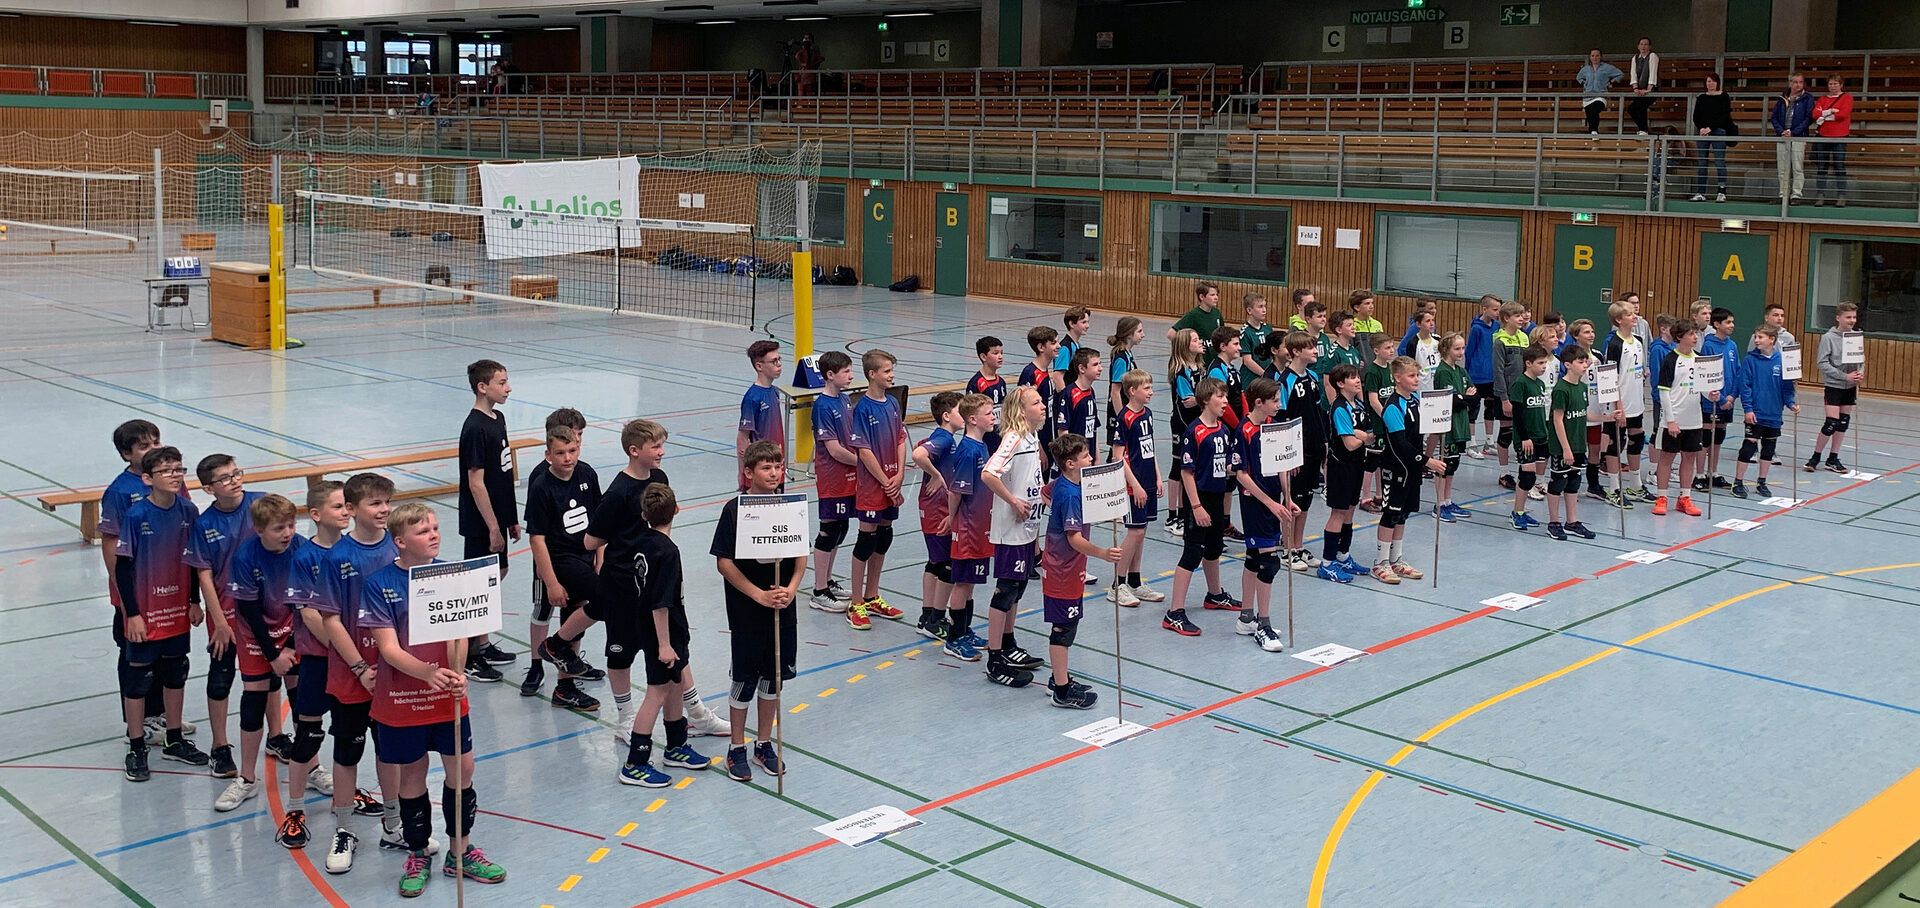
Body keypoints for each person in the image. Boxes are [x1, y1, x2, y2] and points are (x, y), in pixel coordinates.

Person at [361, 503, 506, 895]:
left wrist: (457, 672)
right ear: (400, 541)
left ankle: (460, 851)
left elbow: (460, 632)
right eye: (423, 531)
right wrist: (427, 673)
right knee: (413, 773)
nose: (434, 535)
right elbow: (388, 649)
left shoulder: (452, 576)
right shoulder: (379, 584)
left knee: (463, 768)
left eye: (436, 528)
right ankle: (418, 852)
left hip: (447, 697)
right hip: (402, 698)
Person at [312, 473, 431, 857]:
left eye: (387, 502)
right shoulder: (337, 557)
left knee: (390, 751)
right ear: (351, 509)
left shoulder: (399, 549)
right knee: (347, 752)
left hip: (394, 674)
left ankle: (393, 825)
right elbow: (330, 620)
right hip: (352, 675)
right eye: (375, 503)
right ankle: (344, 829)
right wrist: (360, 668)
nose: (384, 510)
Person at [222, 495, 328, 849]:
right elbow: (248, 610)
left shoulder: (301, 550)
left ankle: (312, 767)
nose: (287, 533)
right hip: (256, 636)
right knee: (253, 699)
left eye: (291, 525)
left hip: (293, 629)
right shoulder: (245, 557)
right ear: (259, 530)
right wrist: (271, 654)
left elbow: (307, 604)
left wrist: (292, 648)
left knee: (302, 699)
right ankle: (246, 778)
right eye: (279, 527)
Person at [711, 441, 804, 782]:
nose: (775, 473)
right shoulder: (734, 510)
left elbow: (800, 555)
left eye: (778, 467)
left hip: (782, 609)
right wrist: (758, 595)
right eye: (767, 468)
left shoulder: (790, 507)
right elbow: (724, 563)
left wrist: (790, 589)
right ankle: (736, 747)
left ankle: (763, 744)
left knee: (773, 678)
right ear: (749, 472)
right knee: (745, 679)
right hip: (748, 612)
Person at [114, 446, 208, 782]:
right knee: (138, 679)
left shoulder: (188, 510)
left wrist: (194, 601)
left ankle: (174, 739)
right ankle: (136, 745)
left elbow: (194, 561)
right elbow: (122, 569)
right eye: (166, 471)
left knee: (176, 672)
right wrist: (132, 614)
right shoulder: (136, 515)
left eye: (178, 469)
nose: (174, 476)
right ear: (147, 478)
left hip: (177, 610)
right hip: (146, 613)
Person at [99, 420, 193, 746]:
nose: (153, 448)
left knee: (168, 654)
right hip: (136, 593)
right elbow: (111, 543)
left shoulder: (173, 481)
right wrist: (124, 594)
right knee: (135, 654)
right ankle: (138, 723)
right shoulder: (120, 492)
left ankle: (161, 713)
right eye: (143, 446)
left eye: (156, 441)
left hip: (169, 590)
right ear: (127, 454)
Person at [616, 483, 711, 787]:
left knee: (676, 683)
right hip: (662, 632)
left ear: (644, 515)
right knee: (656, 692)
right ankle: (635, 763)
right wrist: (665, 644)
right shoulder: (667, 552)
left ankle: (676, 746)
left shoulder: (642, 543)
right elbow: (660, 602)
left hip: (662, 628)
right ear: (677, 510)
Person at [183, 454, 262, 782]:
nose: (235, 480)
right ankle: (219, 745)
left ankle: (275, 737)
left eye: (236, 473)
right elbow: (203, 575)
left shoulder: (261, 504)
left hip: (265, 611)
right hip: (226, 613)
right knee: (221, 677)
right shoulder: (205, 524)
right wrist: (219, 622)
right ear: (208, 488)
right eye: (225, 478)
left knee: (267, 676)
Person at [522, 425, 604, 710]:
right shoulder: (542, 486)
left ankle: (565, 687)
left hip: (585, 556)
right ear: (548, 455)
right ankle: (554, 645)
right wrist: (552, 583)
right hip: (560, 561)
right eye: (560, 453)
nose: (567, 458)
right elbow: (537, 539)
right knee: (607, 599)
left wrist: (600, 558)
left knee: (574, 615)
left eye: (572, 451)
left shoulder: (586, 474)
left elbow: (599, 521)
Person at [1041, 433, 1120, 709]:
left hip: (1069, 568)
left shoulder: (1065, 484)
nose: (1091, 459)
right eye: (1085, 456)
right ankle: (1062, 691)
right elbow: (1074, 538)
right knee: (1063, 629)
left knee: (1068, 625)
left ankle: (1058, 678)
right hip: (1061, 571)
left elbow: (1045, 492)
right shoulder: (1070, 494)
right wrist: (1103, 553)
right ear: (1071, 463)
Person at [981, 386, 1050, 686]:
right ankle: (995, 658)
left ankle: (1008, 643)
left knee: (1019, 588)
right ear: (1021, 410)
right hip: (1011, 529)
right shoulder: (1013, 438)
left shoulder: (1032, 437)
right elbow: (988, 473)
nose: (1043, 405)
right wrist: (1013, 501)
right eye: (1036, 402)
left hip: (1028, 528)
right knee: (1006, 589)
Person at [457, 358, 518, 682]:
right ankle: (469, 655)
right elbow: (476, 483)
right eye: (501, 383)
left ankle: (482, 642)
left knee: (497, 573)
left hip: (498, 516)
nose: (508, 388)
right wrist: (493, 527)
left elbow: (502, 474)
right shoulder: (475, 428)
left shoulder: (498, 418)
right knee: (477, 584)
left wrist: (510, 519)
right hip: (481, 520)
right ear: (482, 387)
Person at [1167, 378, 1241, 635]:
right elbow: (1186, 473)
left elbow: (1224, 465)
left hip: (1217, 496)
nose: (1225, 401)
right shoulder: (1194, 432)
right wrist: (1196, 506)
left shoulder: (1223, 430)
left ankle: (1215, 594)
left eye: (1226, 396)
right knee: (1192, 552)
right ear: (1206, 400)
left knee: (1213, 548)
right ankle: (1174, 612)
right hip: (1199, 499)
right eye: (1220, 396)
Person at [1232, 378, 1296, 650]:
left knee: (1253, 558)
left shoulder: (1273, 426)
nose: (1280, 405)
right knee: (1269, 563)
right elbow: (1241, 475)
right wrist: (1270, 503)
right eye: (1275, 401)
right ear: (1259, 402)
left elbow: (1281, 465)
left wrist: (1287, 498)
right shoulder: (1244, 431)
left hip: (1274, 500)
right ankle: (1263, 626)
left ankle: (1246, 618)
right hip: (1256, 503)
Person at [848, 350, 910, 625]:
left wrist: (899, 475)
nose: (891, 375)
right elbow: (863, 451)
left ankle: (872, 596)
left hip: (891, 483)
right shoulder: (862, 408)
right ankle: (856, 603)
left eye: (892, 370)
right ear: (872, 374)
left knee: (884, 537)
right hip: (873, 486)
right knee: (866, 541)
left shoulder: (893, 403)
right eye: (887, 371)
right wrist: (886, 482)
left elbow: (900, 439)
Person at [1374, 358, 1448, 581]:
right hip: (1396, 468)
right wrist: (1427, 461)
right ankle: (1380, 563)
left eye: (1417, 375)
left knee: (1403, 514)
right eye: (1411, 376)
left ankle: (1396, 559)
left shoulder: (1415, 400)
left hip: (1412, 469)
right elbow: (1400, 444)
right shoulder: (1393, 407)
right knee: (1391, 513)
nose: (1416, 380)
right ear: (1397, 378)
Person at [942, 394, 998, 661]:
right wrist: (951, 519)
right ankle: (954, 638)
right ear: (973, 419)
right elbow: (956, 492)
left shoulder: (982, 445)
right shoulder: (967, 450)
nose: (994, 417)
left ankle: (965, 630)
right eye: (989, 413)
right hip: (967, 528)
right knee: (962, 583)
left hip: (981, 525)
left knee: (972, 582)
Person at [909, 392, 964, 639]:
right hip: (936, 510)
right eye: (960, 411)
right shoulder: (943, 437)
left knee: (935, 562)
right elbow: (918, 455)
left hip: (933, 508)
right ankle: (935, 619)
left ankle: (927, 617)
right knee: (946, 564)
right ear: (946, 416)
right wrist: (937, 476)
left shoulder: (944, 438)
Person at [1111, 370, 1165, 608]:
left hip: (1148, 481)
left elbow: (1149, 448)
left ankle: (1134, 581)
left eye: (1151, 387)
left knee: (1141, 532)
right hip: (1134, 486)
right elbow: (1118, 456)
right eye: (1147, 388)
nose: (1151, 392)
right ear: (1132, 391)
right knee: (1134, 532)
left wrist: (1158, 477)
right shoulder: (1125, 417)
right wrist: (1135, 484)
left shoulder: (1148, 414)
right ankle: (1117, 584)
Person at [809, 351, 858, 613]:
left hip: (849, 475)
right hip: (832, 477)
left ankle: (827, 582)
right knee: (828, 530)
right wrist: (863, 464)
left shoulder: (845, 399)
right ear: (830, 375)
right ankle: (818, 591)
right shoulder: (822, 406)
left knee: (842, 527)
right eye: (846, 372)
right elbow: (834, 449)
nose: (851, 376)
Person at [1277, 331, 1326, 571]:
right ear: (1296, 351)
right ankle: (1286, 548)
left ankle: (1298, 546)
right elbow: (1282, 419)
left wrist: (1324, 442)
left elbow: (1317, 413)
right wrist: (1291, 455)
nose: (1316, 351)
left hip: (1314, 446)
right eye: (1310, 347)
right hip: (1296, 450)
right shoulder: (1286, 380)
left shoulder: (1313, 377)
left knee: (1305, 498)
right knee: (1293, 498)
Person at [1653, 322, 1714, 516]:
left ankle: (1684, 497)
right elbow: (1664, 392)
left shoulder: (1700, 359)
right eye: (1690, 334)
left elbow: (1703, 388)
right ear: (1679, 337)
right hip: (1674, 419)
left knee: (1689, 457)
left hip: (1693, 419)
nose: (1695, 337)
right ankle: (1662, 497)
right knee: (1667, 458)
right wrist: (1670, 420)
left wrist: (1711, 394)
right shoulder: (1670, 359)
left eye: (1695, 333)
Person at [1598, 302, 1653, 507]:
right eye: (1629, 314)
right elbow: (1610, 377)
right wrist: (1618, 406)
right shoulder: (1614, 344)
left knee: (1636, 439)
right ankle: (1614, 489)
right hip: (1618, 404)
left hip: (1636, 401)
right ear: (1618, 320)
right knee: (1615, 443)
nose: (1635, 316)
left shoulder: (1638, 341)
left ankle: (1635, 485)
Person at [1319, 365, 1370, 582]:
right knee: (1338, 513)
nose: (1357, 381)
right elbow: (1349, 444)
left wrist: (1362, 435)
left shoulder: (1359, 405)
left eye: (1357, 377)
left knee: (1350, 510)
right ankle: (1327, 563)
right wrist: (1363, 437)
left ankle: (1343, 556)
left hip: (1357, 464)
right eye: (1352, 378)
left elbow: (1368, 432)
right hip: (1341, 466)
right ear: (1340, 384)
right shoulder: (1339, 408)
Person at [1734, 326, 1798, 499]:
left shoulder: (1782, 361)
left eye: (1760, 337)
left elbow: (1787, 388)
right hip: (1756, 412)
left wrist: (1791, 403)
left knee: (1769, 448)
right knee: (1749, 446)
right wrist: (1748, 409)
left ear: (1772, 339)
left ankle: (1761, 482)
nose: (1756, 340)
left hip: (1774, 413)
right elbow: (1745, 386)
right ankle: (1738, 482)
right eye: (1756, 337)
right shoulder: (1750, 360)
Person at [1546, 347, 1598, 541]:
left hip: (1578, 443)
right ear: (1567, 365)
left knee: (1574, 481)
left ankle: (1572, 522)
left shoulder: (1582, 388)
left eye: (1585, 362)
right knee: (1558, 481)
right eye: (1580, 362)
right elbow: (1557, 420)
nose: (1585, 365)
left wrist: (1609, 417)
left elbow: (1584, 415)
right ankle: (1553, 522)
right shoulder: (1561, 389)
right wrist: (1566, 449)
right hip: (1562, 446)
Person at [1809, 301, 1864, 473]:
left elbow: (1861, 359)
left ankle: (1833, 458)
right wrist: (1843, 376)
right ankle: (1815, 456)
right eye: (1848, 317)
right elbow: (1822, 363)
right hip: (1834, 385)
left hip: (1850, 387)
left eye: (1854, 317)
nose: (1852, 320)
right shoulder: (1828, 338)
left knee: (1843, 422)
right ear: (1838, 318)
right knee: (1831, 423)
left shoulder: (1856, 336)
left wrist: (1859, 373)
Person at [1165, 327, 1205, 535]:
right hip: (1182, 424)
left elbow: (1197, 398)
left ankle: (1183, 511)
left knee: (1189, 468)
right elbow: (1187, 402)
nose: (1200, 343)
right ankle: (1172, 516)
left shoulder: (1199, 368)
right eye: (1195, 340)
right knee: (1177, 468)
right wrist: (1201, 398)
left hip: (1195, 423)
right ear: (1184, 345)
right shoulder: (1180, 371)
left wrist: (1199, 399)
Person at [1695, 307, 1741, 492]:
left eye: (1732, 321)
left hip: (1728, 401)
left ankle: (1712, 473)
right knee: (1706, 438)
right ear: (1716, 324)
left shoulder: (1732, 345)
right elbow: (1706, 376)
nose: (1732, 325)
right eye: (1728, 322)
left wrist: (1732, 396)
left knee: (1718, 437)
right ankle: (1699, 475)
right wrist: (1720, 399)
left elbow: (1737, 372)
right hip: (1711, 402)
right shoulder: (1709, 345)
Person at [1507, 346, 1551, 531]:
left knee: (1531, 477)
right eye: (1540, 363)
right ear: (1528, 363)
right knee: (1527, 476)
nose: (1544, 366)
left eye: (1545, 363)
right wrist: (1524, 437)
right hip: (1526, 438)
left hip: (1540, 435)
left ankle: (1522, 511)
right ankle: (1517, 512)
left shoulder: (1539, 384)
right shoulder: (1521, 383)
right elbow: (1517, 413)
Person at [1431, 332, 1474, 522]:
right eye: (1457, 348)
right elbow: (1450, 400)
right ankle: (1439, 504)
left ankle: (1448, 501)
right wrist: (1464, 397)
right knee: (1444, 465)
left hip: (1461, 425)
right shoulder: (1443, 372)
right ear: (1446, 349)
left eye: (1463, 348)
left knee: (1453, 464)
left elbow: (1474, 397)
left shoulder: (1461, 371)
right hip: (1447, 426)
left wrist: (1464, 397)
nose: (1461, 352)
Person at [1491, 301, 1532, 489]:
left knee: (1523, 431)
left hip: (1522, 394)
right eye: (1517, 316)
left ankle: (1525, 471)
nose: (1522, 318)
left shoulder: (1524, 338)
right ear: (1506, 318)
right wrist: (1504, 399)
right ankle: (1504, 472)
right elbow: (1498, 371)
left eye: (1522, 315)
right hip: (1506, 394)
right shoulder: (1500, 341)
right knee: (1506, 433)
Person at [738, 340, 786, 490]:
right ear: (759, 366)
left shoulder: (774, 391)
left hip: (776, 467)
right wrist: (742, 474)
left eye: (779, 359)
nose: (779, 364)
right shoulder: (752, 397)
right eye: (773, 361)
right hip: (761, 472)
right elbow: (742, 437)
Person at [1359, 334, 1398, 513]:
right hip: (1377, 423)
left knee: (1382, 460)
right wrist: (1387, 417)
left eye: (1392, 347)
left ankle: (1380, 495)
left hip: (1387, 423)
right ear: (1376, 351)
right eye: (1387, 348)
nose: (1391, 351)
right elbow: (1374, 400)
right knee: (1372, 462)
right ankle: (1365, 497)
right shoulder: (1373, 372)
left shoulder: (1389, 369)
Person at [1466, 295, 1502, 456]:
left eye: (1499, 309)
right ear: (1484, 309)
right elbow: (1469, 352)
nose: (1497, 313)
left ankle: (1489, 442)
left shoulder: (1497, 326)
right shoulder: (1477, 328)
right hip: (1477, 375)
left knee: (1491, 408)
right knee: (1474, 408)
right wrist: (1467, 374)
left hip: (1492, 375)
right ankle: (1472, 443)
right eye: (1495, 309)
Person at [1770, 74, 1815, 203]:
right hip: (1782, 137)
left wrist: (1794, 132)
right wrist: (1781, 131)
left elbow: (1808, 118)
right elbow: (1774, 117)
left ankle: (1796, 194)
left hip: (1798, 137)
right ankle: (1783, 194)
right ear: (1790, 83)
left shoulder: (1808, 98)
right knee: (1782, 168)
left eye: (1800, 82)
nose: (1798, 85)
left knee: (1797, 167)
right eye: (1795, 82)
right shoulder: (1782, 98)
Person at [1691, 73, 1736, 202]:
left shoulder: (1724, 96)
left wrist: (1710, 128)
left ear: (1717, 83)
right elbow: (1696, 116)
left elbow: (1724, 116)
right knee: (1702, 162)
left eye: (1712, 81)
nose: (1710, 84)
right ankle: (1701, 192)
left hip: (1718, 131)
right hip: (1703, 133)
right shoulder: (1701, 98)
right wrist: (1702, 128)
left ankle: (1721, 191)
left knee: (1719, 161)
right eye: (1708, 81)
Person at [1020, 326, 1061, 466]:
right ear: (1041, 347)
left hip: (1048, 438)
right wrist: (1038, 447)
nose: (1058, 346)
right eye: (1053, 343)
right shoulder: (1030, 373)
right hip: (1037, 442)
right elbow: (1023, 414)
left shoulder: (1045, 371)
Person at [1811, 75, 1853, 207]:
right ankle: (1820, 195)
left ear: (1841, 84)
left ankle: (1841, 195)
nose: (1833, 86)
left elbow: (1842, 115)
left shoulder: (1847, 97)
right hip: (1823, 135)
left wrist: (1824, 115)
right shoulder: (1822, 99)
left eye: (1835, 84)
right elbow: (1815, 114)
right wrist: (1830, 111)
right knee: (1822, 166)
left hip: (1840, 136)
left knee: (1839, 165)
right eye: (1830, 84)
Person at [1060, 347, 1104, 460]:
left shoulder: (1091, 392)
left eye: (1100, 364)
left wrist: (1097, 458)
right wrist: (1071, 458)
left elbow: (1093, 428)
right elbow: (1063, 431)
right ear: (1082, 368)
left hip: (1089, 456)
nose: (1100, 368)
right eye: (1095, 365)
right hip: (1076, 459)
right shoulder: (1069, 393)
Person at [1106, 318, 1144, 450]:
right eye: (1139, 331)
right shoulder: (1121, 358)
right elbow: (1115, 391)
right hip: (1119, 410)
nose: (1143, 335)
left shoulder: (1128, 354)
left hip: (1127, 408)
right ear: (1129, 334)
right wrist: (1122, 418)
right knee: (1117, 452)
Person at [968, 337, 1010, 455]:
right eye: (995, 353)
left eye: (1001, 353)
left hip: (999, 437)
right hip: (983, 439)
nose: (1000, 356)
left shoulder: (1001, 382)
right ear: (983, 356)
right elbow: (970, 414)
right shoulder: (976, 383)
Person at [1168, 281, 1225, 359]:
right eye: (1212, 295)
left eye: (1216, 295)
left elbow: (1222, 335)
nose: (1216, 298)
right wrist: (1189, 348)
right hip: (1200, 361)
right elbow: (1171, 334)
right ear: (1202, 297)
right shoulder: (1193, 315)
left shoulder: (1217, 313)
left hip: (1214, 359)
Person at [1576, 48, 1625, 136]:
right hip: (1587, 96)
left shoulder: (1607, 67)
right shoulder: (1586, 69)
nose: (1595, 58)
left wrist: (1610, 82)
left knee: (1594, 109)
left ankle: (1594, 132)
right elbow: (1579, 77)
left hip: (1601, 95)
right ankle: (1593, 133)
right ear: (1590, 57)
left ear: (1601, 57)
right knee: (1590, 115)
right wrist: (1584, 83)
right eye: (1593, 56)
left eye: (1597, 55)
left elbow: (1620, 74)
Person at [1051, 305, 1092, 401]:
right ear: (1072, 324)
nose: (1087, 326)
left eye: (1088, 322)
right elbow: (1057, 377)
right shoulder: (1065, 348)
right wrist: (1066, 400)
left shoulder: (1077, 345)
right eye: (1083, 322)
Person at [1239, 293, 1275, 386]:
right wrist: (1265, 374)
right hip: (1251, 380)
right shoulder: (1245, 332)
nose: (1264, 310)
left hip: (1266, 378)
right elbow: (1247, 361)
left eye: (1264, 306)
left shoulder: (1268, 329)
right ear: (1249, 310)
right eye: (1260, 307)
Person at [1626, 37, 1660, 134]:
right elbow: (1633, 74)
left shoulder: (1652, 56)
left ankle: (1643, 129)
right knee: (1635, 108)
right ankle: (1643, 129)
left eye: (1646, 44)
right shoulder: (1635, 58)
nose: (1643, 46)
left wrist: (1648, 89)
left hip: (1651, 89)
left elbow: (1653, 73)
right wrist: (1635, 88)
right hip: (1639, 89)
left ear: (1649, 46)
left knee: (1637, 107)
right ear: (1638, 46)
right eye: (1641, 44)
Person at [1347, 290, 1384, 354]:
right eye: (1367, 303)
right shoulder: (1350, 325)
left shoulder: (1377, 324)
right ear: (1357, 307)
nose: (1371, 306)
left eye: (1372, 303)